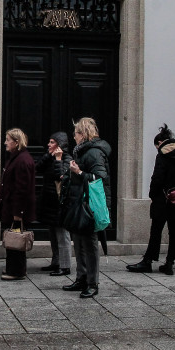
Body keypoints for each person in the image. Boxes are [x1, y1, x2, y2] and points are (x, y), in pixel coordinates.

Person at [127, 124, 175, 275]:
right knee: (174, 231)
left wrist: (152, 194)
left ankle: (148, 261)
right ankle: (169, 262)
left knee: (156, 230)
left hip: (163, 199)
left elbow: (157, 177)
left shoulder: (162, 155)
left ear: (160, 143)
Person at [60, 118, 110, 297]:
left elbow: (99, 178)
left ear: (82, 134)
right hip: (78, 202)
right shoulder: (81, 151)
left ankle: (92, 283)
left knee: (90, 245)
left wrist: (78, 172)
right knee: (79, 243)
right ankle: (81, 278)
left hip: (88, 205)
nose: (73, 137)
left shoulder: (94, 153)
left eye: (75, 133)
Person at [0, 128, 36, 281]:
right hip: (12, 208)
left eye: (8, 140)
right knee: (14, 239)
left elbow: (22, 190)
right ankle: (15, 268)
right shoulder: (17, 158)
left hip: (17, 211)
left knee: (16, 240)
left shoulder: (22, 160)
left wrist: (18, 214)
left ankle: (16, 271)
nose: (5, 143)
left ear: (16, 142)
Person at [36, 131, 72, 277]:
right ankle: (55, 262)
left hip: (61, 203)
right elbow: (37, 167)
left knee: (63, 235)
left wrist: (58, 159)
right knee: (53, 234)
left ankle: (65, 265)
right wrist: (49, 156)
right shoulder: (50, 158)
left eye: (52, 142)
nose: (48, 144)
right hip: (50, 202)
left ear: (60, 145)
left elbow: (61, 177)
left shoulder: (67, 158)